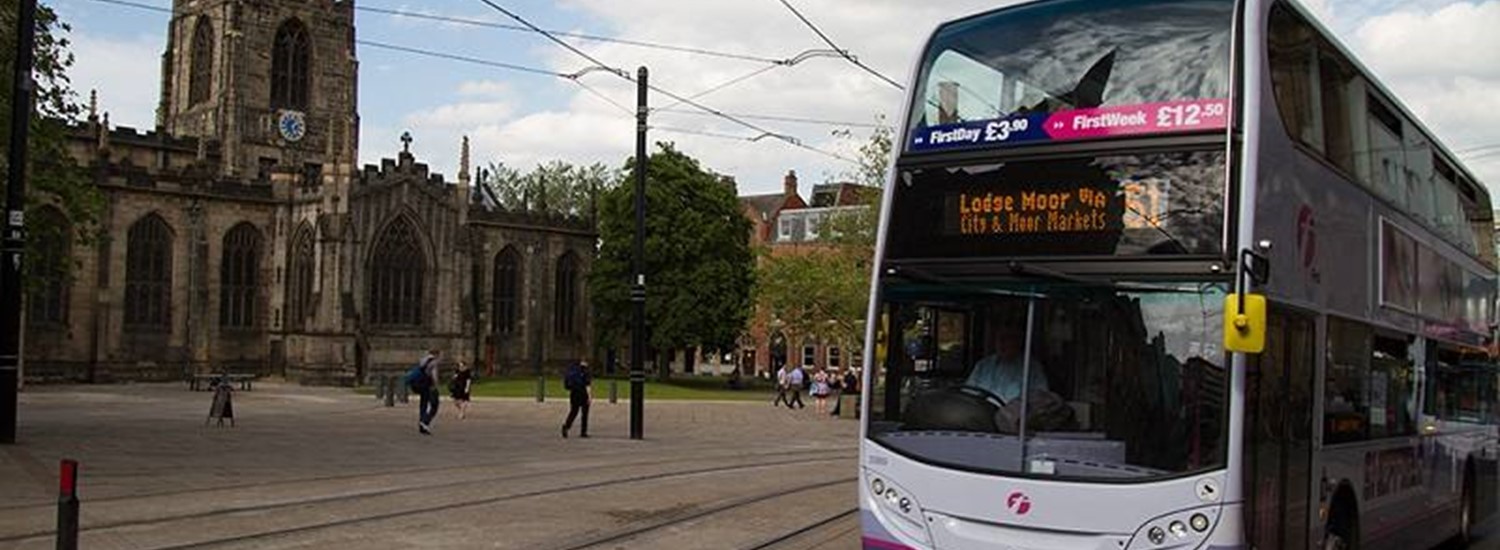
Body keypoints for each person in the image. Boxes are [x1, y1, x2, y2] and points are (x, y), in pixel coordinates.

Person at [964, 322, 1048, 403]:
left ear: (1018, 342)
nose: (1001, 343)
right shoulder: (983, 365)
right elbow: (967, 394)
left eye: (1006, 338)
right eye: (998, 338)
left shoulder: (1032, 368)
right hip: (981, 413)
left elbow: (1040, 399)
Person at [561, 360, 592, 438]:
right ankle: (583, 432)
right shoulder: (585, 372)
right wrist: (589, 397)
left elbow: (568, 385)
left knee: (573, 412)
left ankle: (566, 426)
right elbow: (587, 385)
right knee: (584, 414)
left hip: (574, 393)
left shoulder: (574, 371)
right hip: (583, 394)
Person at [414, 348, 441, 435]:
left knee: (423, 405)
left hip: (422, 385)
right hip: (430, 386)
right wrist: (436, 386)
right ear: (437, 354)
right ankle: (425, 422)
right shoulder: (434, 362)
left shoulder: (423, 360)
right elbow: (434, 375)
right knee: (434, 406)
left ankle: (422, 424)